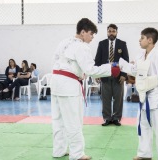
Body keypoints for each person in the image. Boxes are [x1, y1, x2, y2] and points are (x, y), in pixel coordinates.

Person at [50, 18, 120, 160]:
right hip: (69, 85)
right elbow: (90, 70)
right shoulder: (81, 46)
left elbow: (56, 60)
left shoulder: (64, 42)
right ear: (83, 32)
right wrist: (111, 69)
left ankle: (58, 150)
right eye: (91, 34)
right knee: (73, 120)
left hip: (56, 82)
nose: (92, 37)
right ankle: (77, 154)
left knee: (58, 119)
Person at [118, 28, 158, 160]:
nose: (140, 40)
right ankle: (144, 154)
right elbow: (135, 70)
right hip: (143, 96)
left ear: (150, 40)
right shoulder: (140, 55)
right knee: (143, 126)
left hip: (156, 97)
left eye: (142, 38)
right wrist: (121, 64)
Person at [95, 24, 129, 126]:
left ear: (117, 32)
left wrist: (123, 74)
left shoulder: (122, 44)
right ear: (107, 32)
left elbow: (126, 60)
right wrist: (97, 74)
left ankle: (117, 118)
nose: (111, 33)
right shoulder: (102, 44)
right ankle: (107, 118)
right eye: (109, 31)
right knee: (106, 98)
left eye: (113, 31)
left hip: (118, 76)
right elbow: (98, 60)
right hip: (105, 75)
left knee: (118, 98)